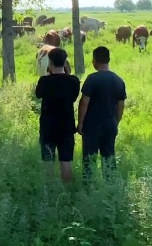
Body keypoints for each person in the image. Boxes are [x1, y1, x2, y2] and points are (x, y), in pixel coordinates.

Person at [77, 46, 126, 180]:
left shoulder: (92, 79)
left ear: (95, 60)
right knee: (109, 159)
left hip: (92, 126)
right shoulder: (119, 80)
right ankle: (110, 188)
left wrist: (80, 123)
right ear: (108, 59)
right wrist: (115, 122)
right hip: (110, 124)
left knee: (89, 160)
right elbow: (121, 106)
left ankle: (88, 188)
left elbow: (84, 102)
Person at [35, 48, 81, 183]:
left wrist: (47, 73)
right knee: (66, 161)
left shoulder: (44, 81)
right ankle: (67, 191)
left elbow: (38, 94)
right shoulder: (73, 81)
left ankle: (49, 191)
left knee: (48, 161)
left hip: (48, 126)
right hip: (66, 126)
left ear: (50, 62)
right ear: (65, 62)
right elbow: (73, 98)